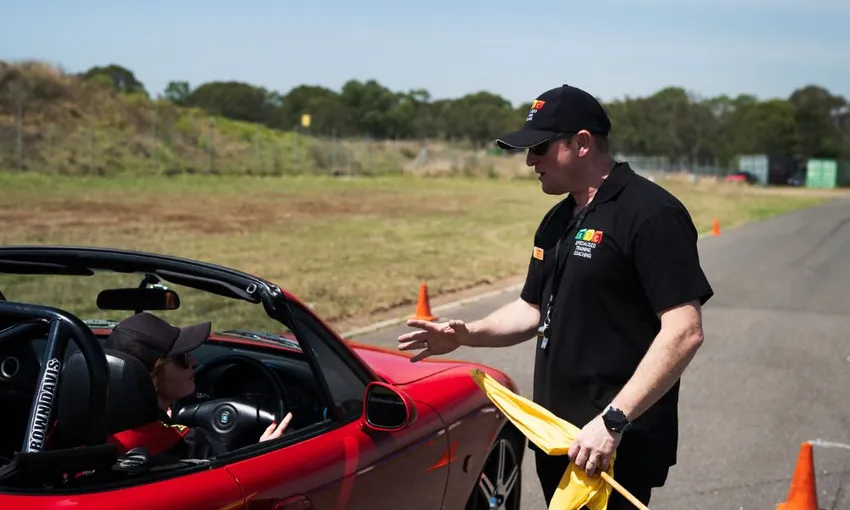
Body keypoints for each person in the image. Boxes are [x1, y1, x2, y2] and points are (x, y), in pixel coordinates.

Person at [397, 84, 713, 508]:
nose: (530, 161)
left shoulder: (652, 214)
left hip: (613, 445)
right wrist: (465, 333)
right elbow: (532, 309)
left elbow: (684, 331)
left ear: (581, 143)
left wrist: (615, 420)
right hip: (557, 437)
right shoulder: (558, 218)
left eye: (540, 148)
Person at [106, 312, 293, 459]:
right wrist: (262, 453)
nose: (194, 361)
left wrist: (162, 420)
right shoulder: (189, 444)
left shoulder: (92, 431)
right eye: (181, 358)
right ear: (152, 379)